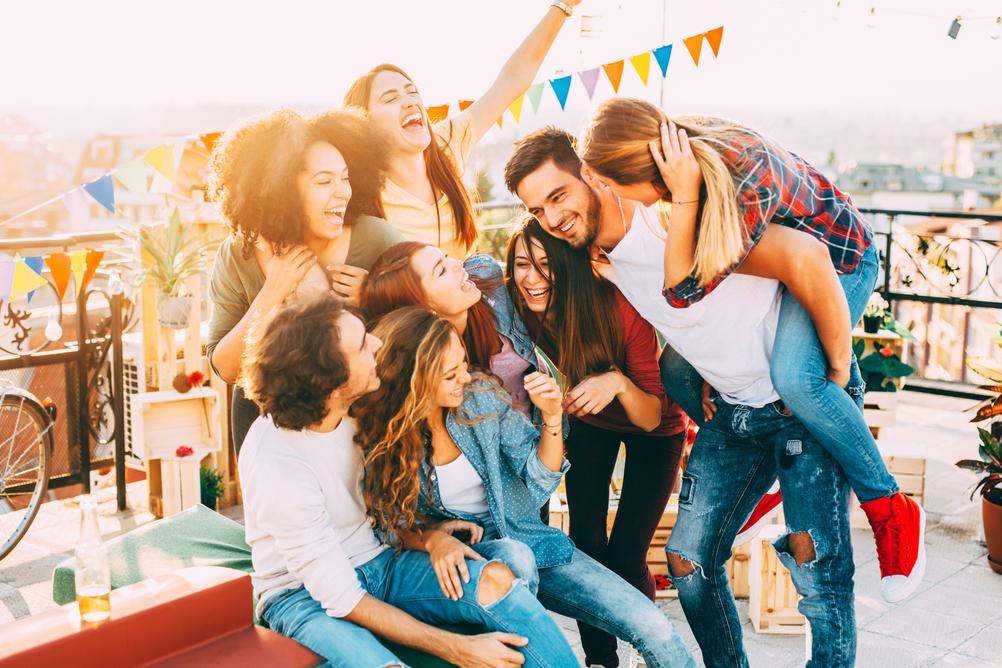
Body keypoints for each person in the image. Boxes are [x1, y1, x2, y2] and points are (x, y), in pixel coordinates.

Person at [504, 127, 864, 666]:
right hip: (688, 414)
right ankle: (605, 660)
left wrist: (834, 367)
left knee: (806, 567)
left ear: (591, 176)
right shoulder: (547, 290)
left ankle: (883, 503)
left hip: (686, 416)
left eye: (558, 198)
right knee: (636, 552)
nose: (533, 278)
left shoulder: (646, 252)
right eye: (538, 211)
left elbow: (800, 260)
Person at [578, 98, 924, 603]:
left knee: (796, 378)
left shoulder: (735, 185)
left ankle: (889, 505)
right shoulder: (692, 162)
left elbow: (684, 286)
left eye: (614, 185)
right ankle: (761, 474)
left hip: (842, 263)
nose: (612, 196)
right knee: (677, 369)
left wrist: (833, 363)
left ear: (647, 172)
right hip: (792, 277)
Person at [237, 294, 578, 668]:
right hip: (303, 596)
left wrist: (430, 538)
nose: (377, 343)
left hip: (382, 564)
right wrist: (457, 648)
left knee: (497, 581)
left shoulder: (361, 411)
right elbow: (342, 598)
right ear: (332, 385)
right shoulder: (277, 463)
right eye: (363, 345)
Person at [353, 307, 697, 668]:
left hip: (528, 539)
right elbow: (382, 522)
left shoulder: (480, 397)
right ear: (414, 379)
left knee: (653, 626)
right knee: (516, 559)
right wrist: (431, 539)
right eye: (450, 374)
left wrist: (551, 416)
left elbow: (538, 477)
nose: (465, 379)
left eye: (464, 364)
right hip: (460, 556)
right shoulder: (379, 436)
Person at [505, 215, 689, 666]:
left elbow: (651, 418)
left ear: (568, 266)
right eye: (522, 264)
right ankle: (601, 660)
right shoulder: (517, 301)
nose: (531, 279)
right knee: (585, 541)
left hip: (653, 423)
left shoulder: (616, 306)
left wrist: (619, 384)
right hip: (591, 420)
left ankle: (653, 648)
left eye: (545, 265)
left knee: (626, 557)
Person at [207, 108, 403, 451]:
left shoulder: (378, 240)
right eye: (324, 181)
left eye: (345, 177)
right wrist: (273, 293)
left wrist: (375, 296)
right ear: (280, 190)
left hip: (364, 416)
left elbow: (424, 331)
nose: (342, 192)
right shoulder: (240, 254)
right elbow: (226, 369)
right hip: (270, 420)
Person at [343, 0, 582, 259]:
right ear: (363, 122)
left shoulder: (445, 143)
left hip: (467, 290)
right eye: (391, 99)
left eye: (412, 92)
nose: (410, 101)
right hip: (406, 299)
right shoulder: (356, 186)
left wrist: (562, 6)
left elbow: (512, 80)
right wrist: (365, 290)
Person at [362, 241, 540, 419]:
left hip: (547, 421)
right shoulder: (427, 367)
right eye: (441, 271)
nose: (457, 264)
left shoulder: (486, 276)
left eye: (445, 257)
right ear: (421, 308)